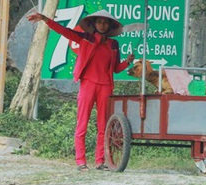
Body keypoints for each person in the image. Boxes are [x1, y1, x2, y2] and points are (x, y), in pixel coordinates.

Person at [28, 9, 135, 172]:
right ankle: (81, 161)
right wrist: (45, 19)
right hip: (88, 83)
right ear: (93, 24)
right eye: (99, 22)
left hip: (105, 86)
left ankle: (100, 161)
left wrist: (127, 62)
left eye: (105, 22)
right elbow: (63, 31)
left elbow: (115, 69)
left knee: (103, 125)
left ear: (110, 25)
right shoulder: (85, 38)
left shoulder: (114, 44)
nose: (102, 25)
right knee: (82, 123)